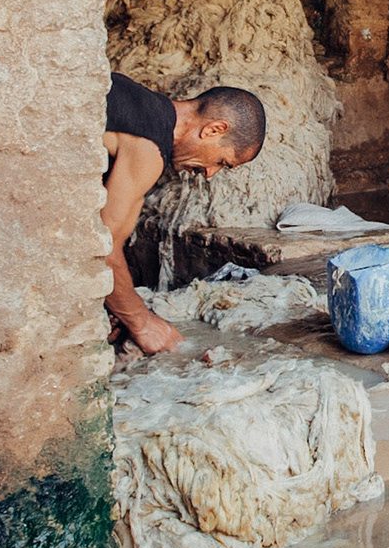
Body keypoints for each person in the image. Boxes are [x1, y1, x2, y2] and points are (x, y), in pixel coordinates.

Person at [102, 72, 267, 353]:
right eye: (222, 162)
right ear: (213, 129)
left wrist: (116, 302)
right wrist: (141, 322)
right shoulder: (148, 148)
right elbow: (101, 245)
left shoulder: (143, 106)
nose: (210, 174)